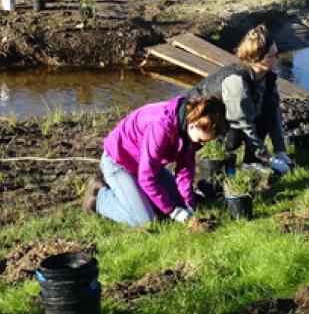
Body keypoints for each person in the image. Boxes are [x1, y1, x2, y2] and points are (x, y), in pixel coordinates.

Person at [83, 95, 228, 227]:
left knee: (178, 203)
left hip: (147, 164)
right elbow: (146, 178)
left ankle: (140, 198)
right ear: (193, 124)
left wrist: (189, 203)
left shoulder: (189, 131)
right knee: (145, 220)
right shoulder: (162, 127)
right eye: (202, 140)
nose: (202, 144)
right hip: (119, 162)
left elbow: (185, 170)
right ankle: (99, 196)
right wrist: (173, 212)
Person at [187, 25, 292, 175]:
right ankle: (217, 165)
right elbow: (243, 124)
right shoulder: (236, 82)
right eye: (274, 55)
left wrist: (280, 150)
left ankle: (251, 162)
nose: (278, 58)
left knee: (268, 107)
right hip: (207, 123)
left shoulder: (267, 77)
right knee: (236, 135)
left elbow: (273, 112)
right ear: (260, 59)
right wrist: (268, 158)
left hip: (234, 121)